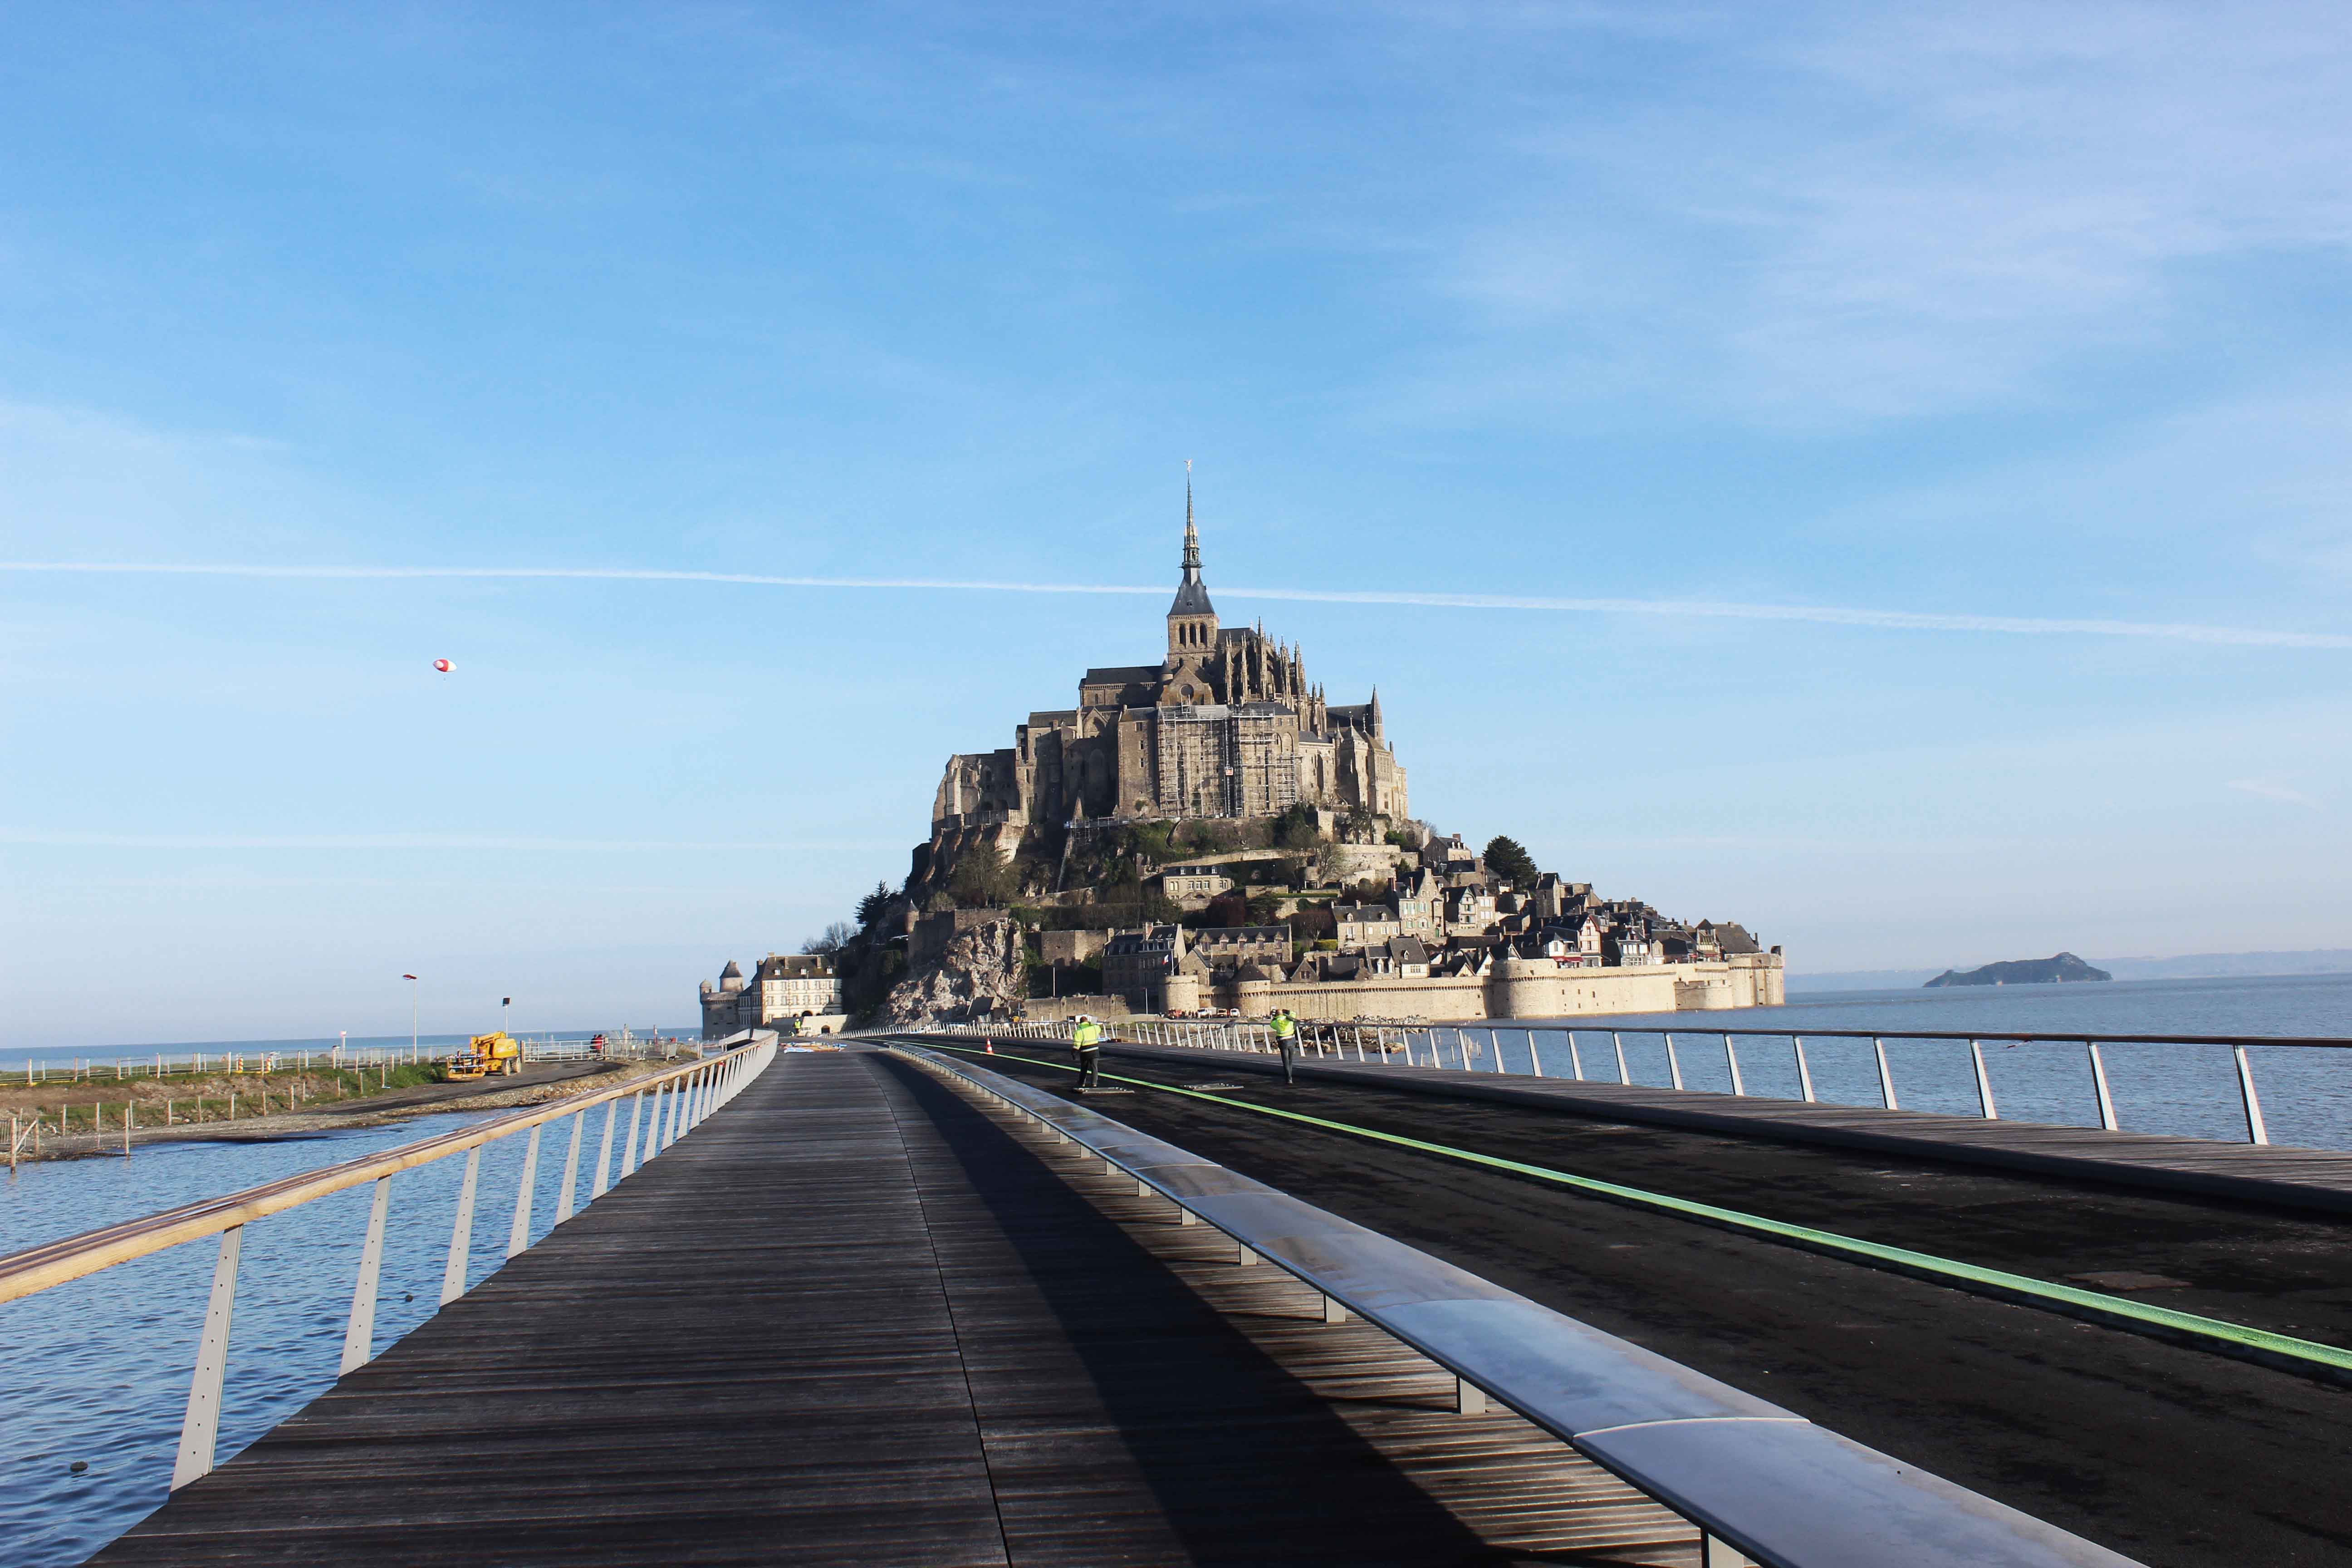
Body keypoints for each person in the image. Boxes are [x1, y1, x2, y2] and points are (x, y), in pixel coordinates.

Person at [1072, 1014, 1103, 1088]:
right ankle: (1094, 1084)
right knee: (1094, 1068)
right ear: (1087, 1022)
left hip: (1085, 1052)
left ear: (1080, 1023)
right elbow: (1099, 1028)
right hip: (1095, 1050)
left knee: (1084, 1068)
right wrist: (1093, 1022)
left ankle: (1082, 1083)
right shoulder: (1094, 1028)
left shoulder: (1079, 1031)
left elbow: (1077, 1044)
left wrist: (1074, 1053)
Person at [1271, 1007, 1298, 1086]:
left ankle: (1289, 1079)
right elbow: (1294, 1013)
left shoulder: (1276, 1022)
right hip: (1292, 1040)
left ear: (1276, 1015)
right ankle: (1290, 1076)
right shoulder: (1289, 1019)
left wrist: (1276, 1017)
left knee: (1285, 1061)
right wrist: (1286, 1012)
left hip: (1283, 1042)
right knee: (1291, 1060)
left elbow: (1271, 1024)